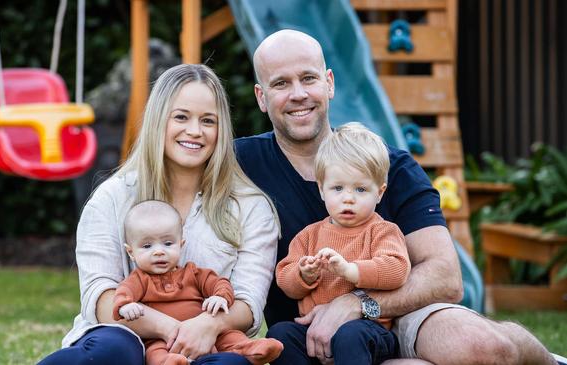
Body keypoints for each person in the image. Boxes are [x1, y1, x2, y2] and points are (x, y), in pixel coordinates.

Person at [234, 29, 556, 365]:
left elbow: (446, 276)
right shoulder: (239, 166)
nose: (298, 94)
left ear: (329, 83)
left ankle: (548, 361)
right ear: (261, 96)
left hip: (400, 312)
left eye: (308, 78)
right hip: (307, 334)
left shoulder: (391, 166)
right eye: (281, 84)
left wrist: (359, 303)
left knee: (485, 348)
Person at [39, 63, 280, 365]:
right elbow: (100, 299)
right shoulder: (113, 197)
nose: (195, 131)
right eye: (181, 117)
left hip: (208, 343)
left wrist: (207, 326)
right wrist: (172, 328)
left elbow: (248, 304)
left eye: (208, 121)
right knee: (115, 348)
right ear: (158, 120)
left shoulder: (250, 207)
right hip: (125, 337)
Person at [269, 123, 410, 364]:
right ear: (322, 189)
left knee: (350, 335)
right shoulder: (309, 235)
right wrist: (304, 274)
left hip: (367, 331)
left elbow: (397, 269)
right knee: (280, 335)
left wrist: (350, 270)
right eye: (337, 188)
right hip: (314, 329)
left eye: (360, 189)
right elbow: (285, 279)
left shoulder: (382, 231)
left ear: (380, 192)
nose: (348, 198)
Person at [114, 199, 283, 365]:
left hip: (205, 334)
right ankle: (171, 361)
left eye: (167, 243)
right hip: (162, 338)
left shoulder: (193, 273)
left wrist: (220, 297)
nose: (159, 251)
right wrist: (126, 306)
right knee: (154, 351)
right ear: (131, 252)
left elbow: (219, 283)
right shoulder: (138, 280)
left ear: (181, 245)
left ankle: (250, 350)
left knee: (229, 336)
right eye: (147, 246)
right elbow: (123, 293)